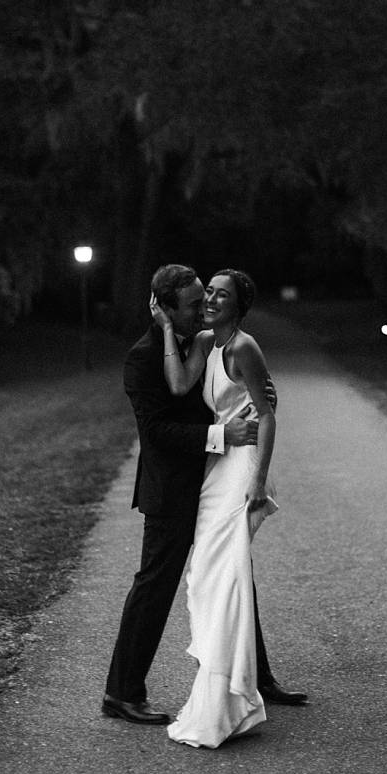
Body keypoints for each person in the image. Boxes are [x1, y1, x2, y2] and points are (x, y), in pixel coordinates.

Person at [102, 264, 306, 728]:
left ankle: (257, 677)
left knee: (235, 574)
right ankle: (122, 692)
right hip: (172, 490)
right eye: (193, 303)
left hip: (216, 478)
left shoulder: (207, 342)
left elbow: (241, 395)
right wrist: (222, 433)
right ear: (166, 310)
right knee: (154, 587)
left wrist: (257, 402)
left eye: (207, 297)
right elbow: (156, 432)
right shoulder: (142, 357)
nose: (203, 307)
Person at [151, 267, 283, 747]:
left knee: (226, 577)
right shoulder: (206, 342)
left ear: (239, 306)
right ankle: (231, 685)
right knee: (207, 578)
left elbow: (266, 416)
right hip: (216, 464)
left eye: (221, 294)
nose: (210, 298)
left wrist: (259, 481)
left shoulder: (246, 347)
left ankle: (229, 700)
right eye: (208, 290)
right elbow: (180, 384)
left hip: (242, 467)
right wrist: (168, 327)